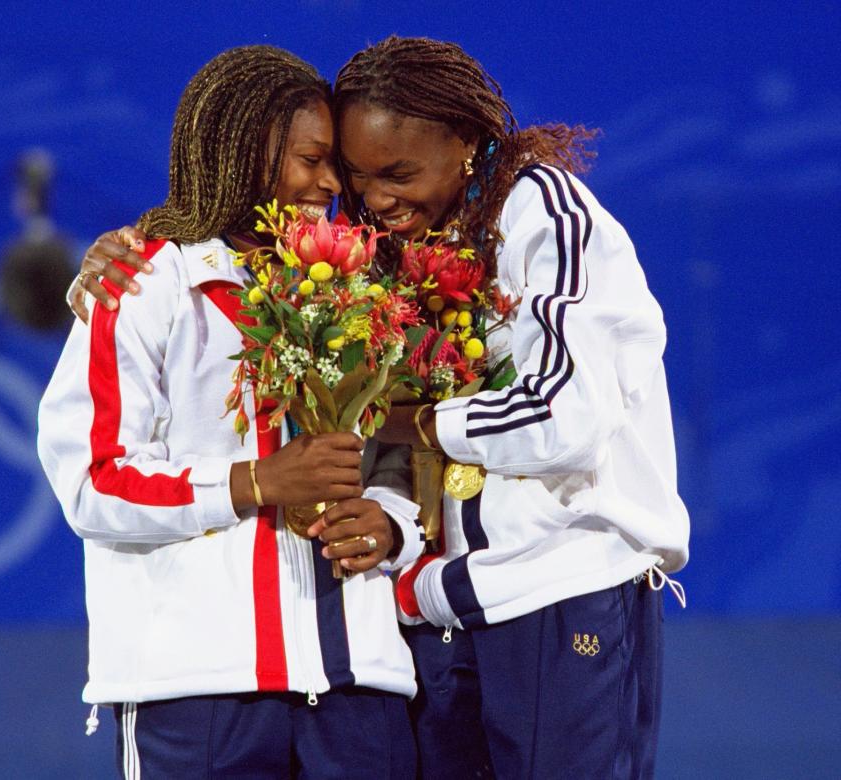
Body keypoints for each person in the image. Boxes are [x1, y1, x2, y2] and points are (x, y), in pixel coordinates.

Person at [75, 36, 690, 780]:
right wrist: (389, 525)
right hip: (431, 619)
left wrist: (416, 434)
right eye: (355, 176)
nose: (367, 197)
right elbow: (370, 451)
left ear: (465, 144)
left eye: (394, 173)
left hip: (555, 590)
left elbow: (565, 416)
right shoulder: (346, 263)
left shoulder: (540, 211)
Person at [38, 45, 421, 779]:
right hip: (197, 691)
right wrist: (254, 483)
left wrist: (390, 523)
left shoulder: (365, 292)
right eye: (311, 160)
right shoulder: (143, 283)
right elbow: (94, 478)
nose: (331, 184)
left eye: (334, 164)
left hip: (362, 688)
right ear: (245, 152)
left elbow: (404, 453)